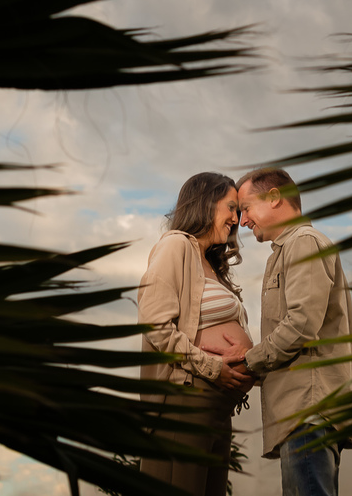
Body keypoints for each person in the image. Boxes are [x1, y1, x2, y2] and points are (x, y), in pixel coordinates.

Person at [233, 167, 352, 496]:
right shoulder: (290, 248)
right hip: (306, 410)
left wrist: (247, 363)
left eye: (245, 208)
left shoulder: (303, 243)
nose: (243, 221)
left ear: (274, 198)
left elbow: (302, 325)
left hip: (307, 409)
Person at [138, 172, 256, 496]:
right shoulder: (176, 245)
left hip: (218, 407)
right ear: (205, 202)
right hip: (186, 403)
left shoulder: (211, 265)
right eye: (231, 208)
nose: (236, 218)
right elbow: (155, 324)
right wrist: (213, 367)